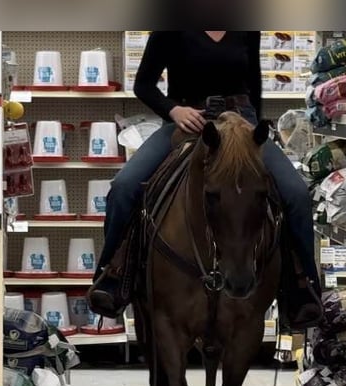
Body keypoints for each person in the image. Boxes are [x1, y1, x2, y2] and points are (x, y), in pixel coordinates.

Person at [88, 31, 322, 329]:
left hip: (242, 124)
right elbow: (143, 85)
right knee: (123, 187)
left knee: (296, 193)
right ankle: (112, 277)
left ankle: (303, 289)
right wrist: (173, 110)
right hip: (187, 124)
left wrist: (254, 134)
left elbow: (253, 83)